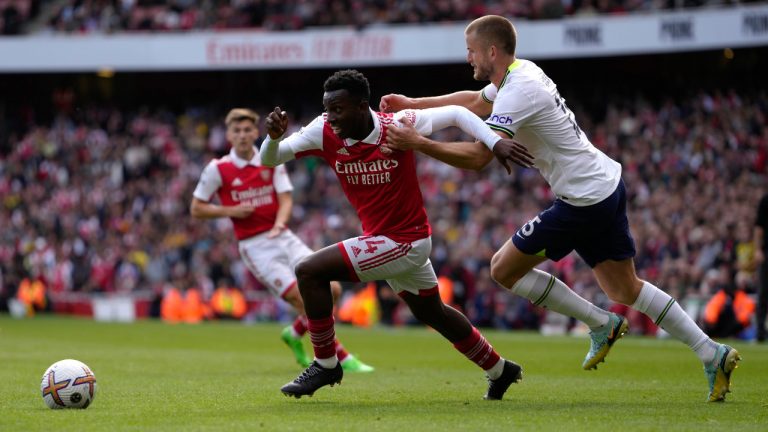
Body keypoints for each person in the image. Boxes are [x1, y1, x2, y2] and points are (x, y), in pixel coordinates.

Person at [378, 15, 740, 402]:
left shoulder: (519, 90)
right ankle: (711, 352)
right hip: (604, 185)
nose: (468, 59)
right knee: (623, 287)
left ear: (492, 51)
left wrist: (417, 143)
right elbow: (472, 103)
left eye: (471, 51)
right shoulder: (520, 73)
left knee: (503, 269)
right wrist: (414, 103)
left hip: (583, 200)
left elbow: (479, 157)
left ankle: (601, 323)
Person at [261, 69, 532, 400]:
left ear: (362, 107)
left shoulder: (399, 125)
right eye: (327, 109)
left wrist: (494, 141)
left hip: (406, 241)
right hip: (389, 241)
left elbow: (459, 114)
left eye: (338, 109)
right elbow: (269, 159)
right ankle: (500, 369)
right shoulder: (322, 130)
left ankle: (326, 363)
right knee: (433, 313)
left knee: (309, 270)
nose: (330, 117)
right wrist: (273, 138)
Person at [190, 108, 374, 373]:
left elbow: (286, 197)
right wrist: (230, 211)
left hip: (282, 236)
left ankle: (295, 331)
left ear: (255, 132)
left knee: (333, 289)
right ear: (229, 135)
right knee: (303, 299)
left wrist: (279, 222)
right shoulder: (218, 169)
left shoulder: (269, 159)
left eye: (247, 130)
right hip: (255, 246)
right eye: (236, 131)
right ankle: (342, 357)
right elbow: (197, 208)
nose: (242, 135)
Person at [754, 193, 768, 342]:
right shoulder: (765, 200)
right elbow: (759, 227)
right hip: (766, 253)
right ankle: (760, 332)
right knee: (763, 293)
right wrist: (758, 250)